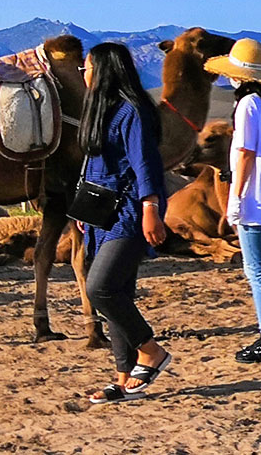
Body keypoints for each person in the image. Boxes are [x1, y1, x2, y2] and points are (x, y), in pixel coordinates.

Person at [76, 42, 173, 404]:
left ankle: (151, 351)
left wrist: (151, 207)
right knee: (118, 292)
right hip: (102, 214)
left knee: (99, 288)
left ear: (104, 70)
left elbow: (145, 163)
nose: (83, 74)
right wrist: (85, 211)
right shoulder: (102, 111)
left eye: (87, 67)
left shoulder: (133, 112)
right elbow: (94, 166)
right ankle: (122, 376)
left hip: (130, 211)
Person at [205, 38, 261, 363]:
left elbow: (243, 154)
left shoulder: (247, 106)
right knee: (260, 268)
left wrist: (236, 198)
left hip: (253, 197)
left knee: (256, 269)